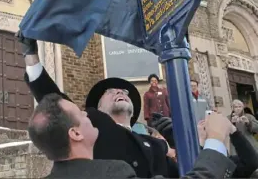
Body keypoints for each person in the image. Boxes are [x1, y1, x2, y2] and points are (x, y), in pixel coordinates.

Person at [18, 32, 233, 178]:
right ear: (93, 112)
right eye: (110, 92)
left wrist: (198, 142)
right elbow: (55, 104)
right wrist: (31, 57)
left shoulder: (156, 144)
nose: (119, 91)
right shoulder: (95, 129)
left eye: (123, 91)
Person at [30, 92, 236, 179]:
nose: (87, 114)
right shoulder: (112, 173)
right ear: (75, 133)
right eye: (81, 113)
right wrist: (216, 139)